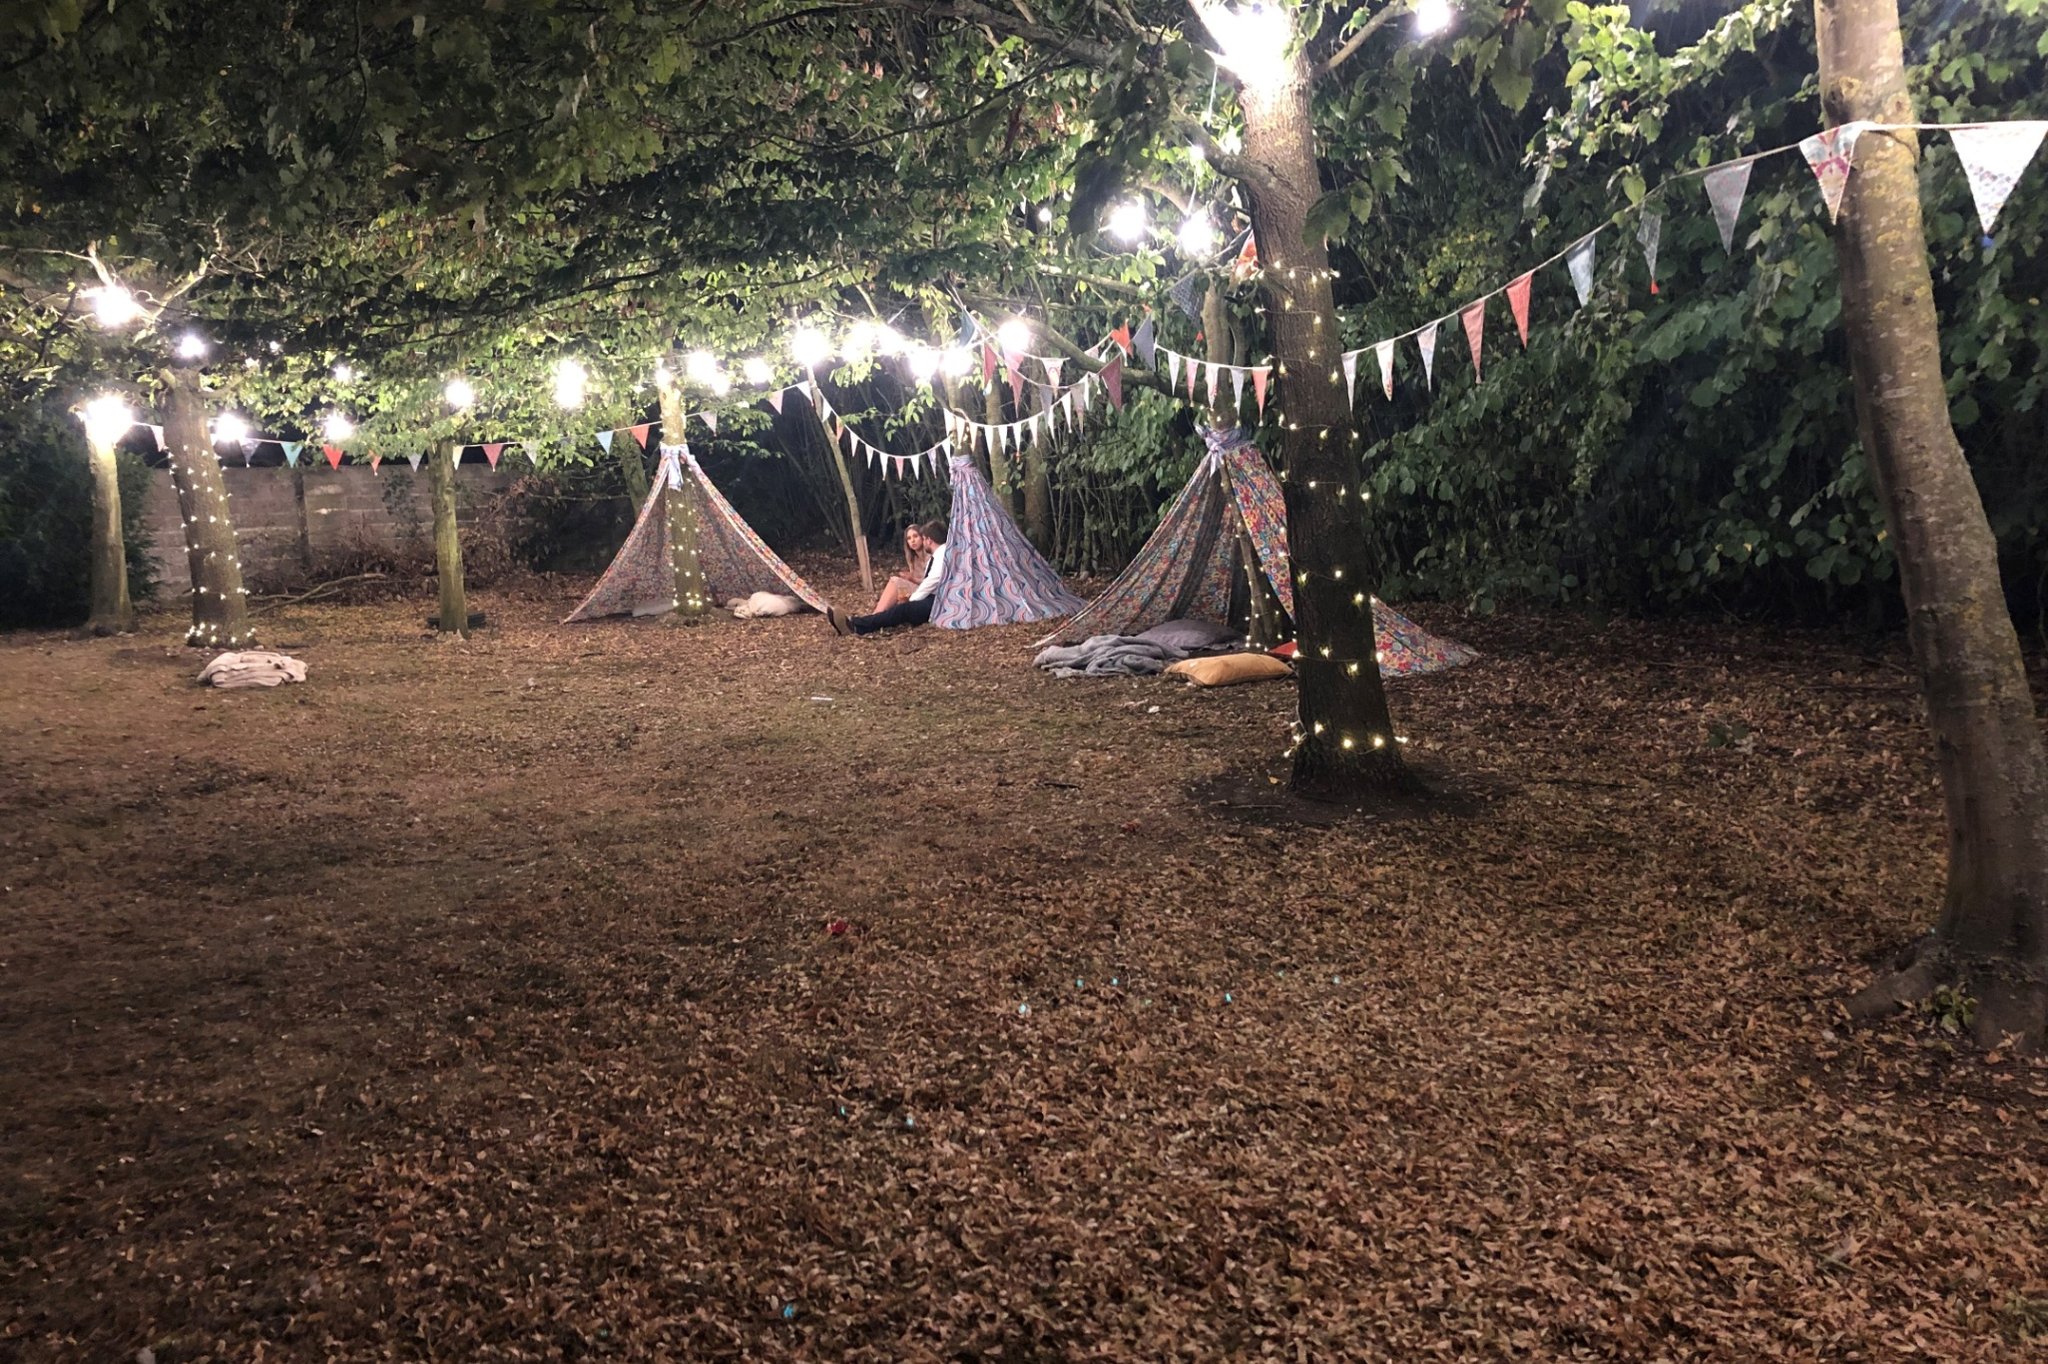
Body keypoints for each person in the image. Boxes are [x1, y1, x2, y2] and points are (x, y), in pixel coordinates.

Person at [827, 521, 947, 635]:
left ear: (929, 540)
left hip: (936, 601)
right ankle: (857, 623)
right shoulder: (937, 555)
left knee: (902, 609)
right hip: (932, 598)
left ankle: (855, 625)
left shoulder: (941, 555)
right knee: (899, 609)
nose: (922, 542)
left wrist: (912, 600)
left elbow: (932, 581)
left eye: (923, 538)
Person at [868, 524, 933, 613]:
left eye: (915, 536)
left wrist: (911, 579)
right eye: (909, 538)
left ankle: (876, 615)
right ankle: (881, 615)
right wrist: (907, 578)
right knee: (900, 595)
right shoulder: (912, 558)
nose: (913, 541)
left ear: (922, 538)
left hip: (928, 593)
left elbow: (931, 583)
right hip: (917, 589)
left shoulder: (931, 556)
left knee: (895, 581)